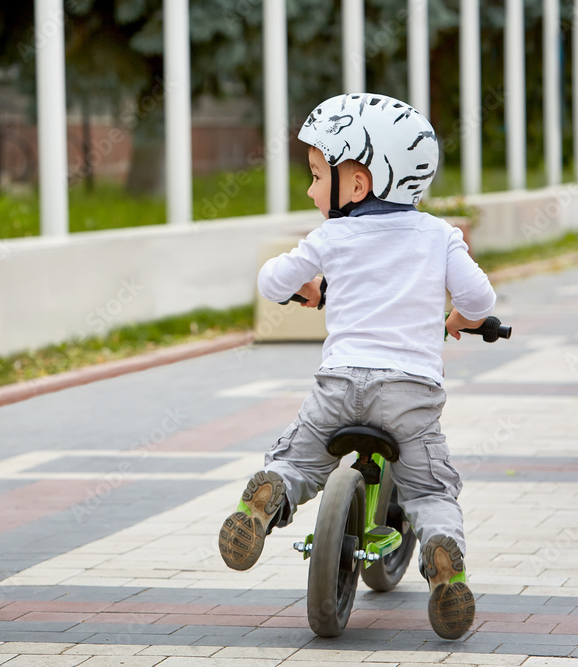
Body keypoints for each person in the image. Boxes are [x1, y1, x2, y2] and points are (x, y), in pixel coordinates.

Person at [217, 93, 496, 640]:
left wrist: (307, 285)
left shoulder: (332, 236)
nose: (310, 189)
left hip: (339, 386)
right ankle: (444, 560)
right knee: (429, 493)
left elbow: (271, 282)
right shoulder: (438, 235)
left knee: (300, 460)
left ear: (359, 184)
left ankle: (267, 496)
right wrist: (462, 318)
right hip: (410, 395)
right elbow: (480, 298)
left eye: (318, 175)